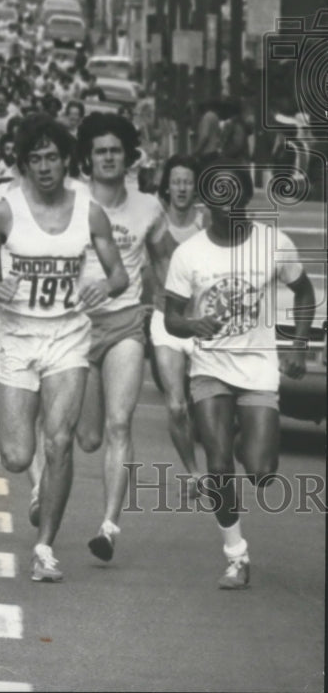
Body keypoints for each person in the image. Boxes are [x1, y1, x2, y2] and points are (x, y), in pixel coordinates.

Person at [0, 113, 128, 583]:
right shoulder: (6, 209)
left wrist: (105, 289)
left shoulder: (88, 210)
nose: (43, 166)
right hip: (17, 336)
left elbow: (118, 275)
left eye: (51, 156)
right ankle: (37, 488)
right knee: (17, 455)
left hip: (68, 337)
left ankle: (44, 548)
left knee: (60, 442)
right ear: (24, 163)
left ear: (65, 160)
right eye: (34, 158)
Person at [164, 159, 315, 589]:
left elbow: (303, 292)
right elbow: (172, 318)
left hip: (257, 368)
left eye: (236, 194)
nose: (228, 202)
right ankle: (236, 555)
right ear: (206, 202)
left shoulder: (273, 244)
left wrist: (299, 347)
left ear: (247, 199)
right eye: (218, 194)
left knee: (262, 470)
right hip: (210, 369)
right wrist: (192, 325)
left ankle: (238, 435)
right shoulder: (189, 253)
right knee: (217, 465)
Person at [74, 112, 170, 562]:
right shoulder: (69, 200)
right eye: (100, 151)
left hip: (126, 323)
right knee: (89, 437)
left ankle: (109, 526)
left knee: (119, 423)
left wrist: (172, 311)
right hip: (74, 327)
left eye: (116, 150)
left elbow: (167, 263)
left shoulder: (149, 207)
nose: (109, 158)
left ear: (129, 156)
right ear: (88, 159)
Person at [149, 155, 206, 493]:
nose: (182, 187)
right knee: (175, 404)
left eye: (188, 181)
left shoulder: (207, 222)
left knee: (209, 406)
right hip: (165, 319)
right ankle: (193, 473)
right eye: (176, 181)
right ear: (167, 186)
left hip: (202, 323)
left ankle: (216, 464)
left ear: (195, 186)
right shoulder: (153, 225)